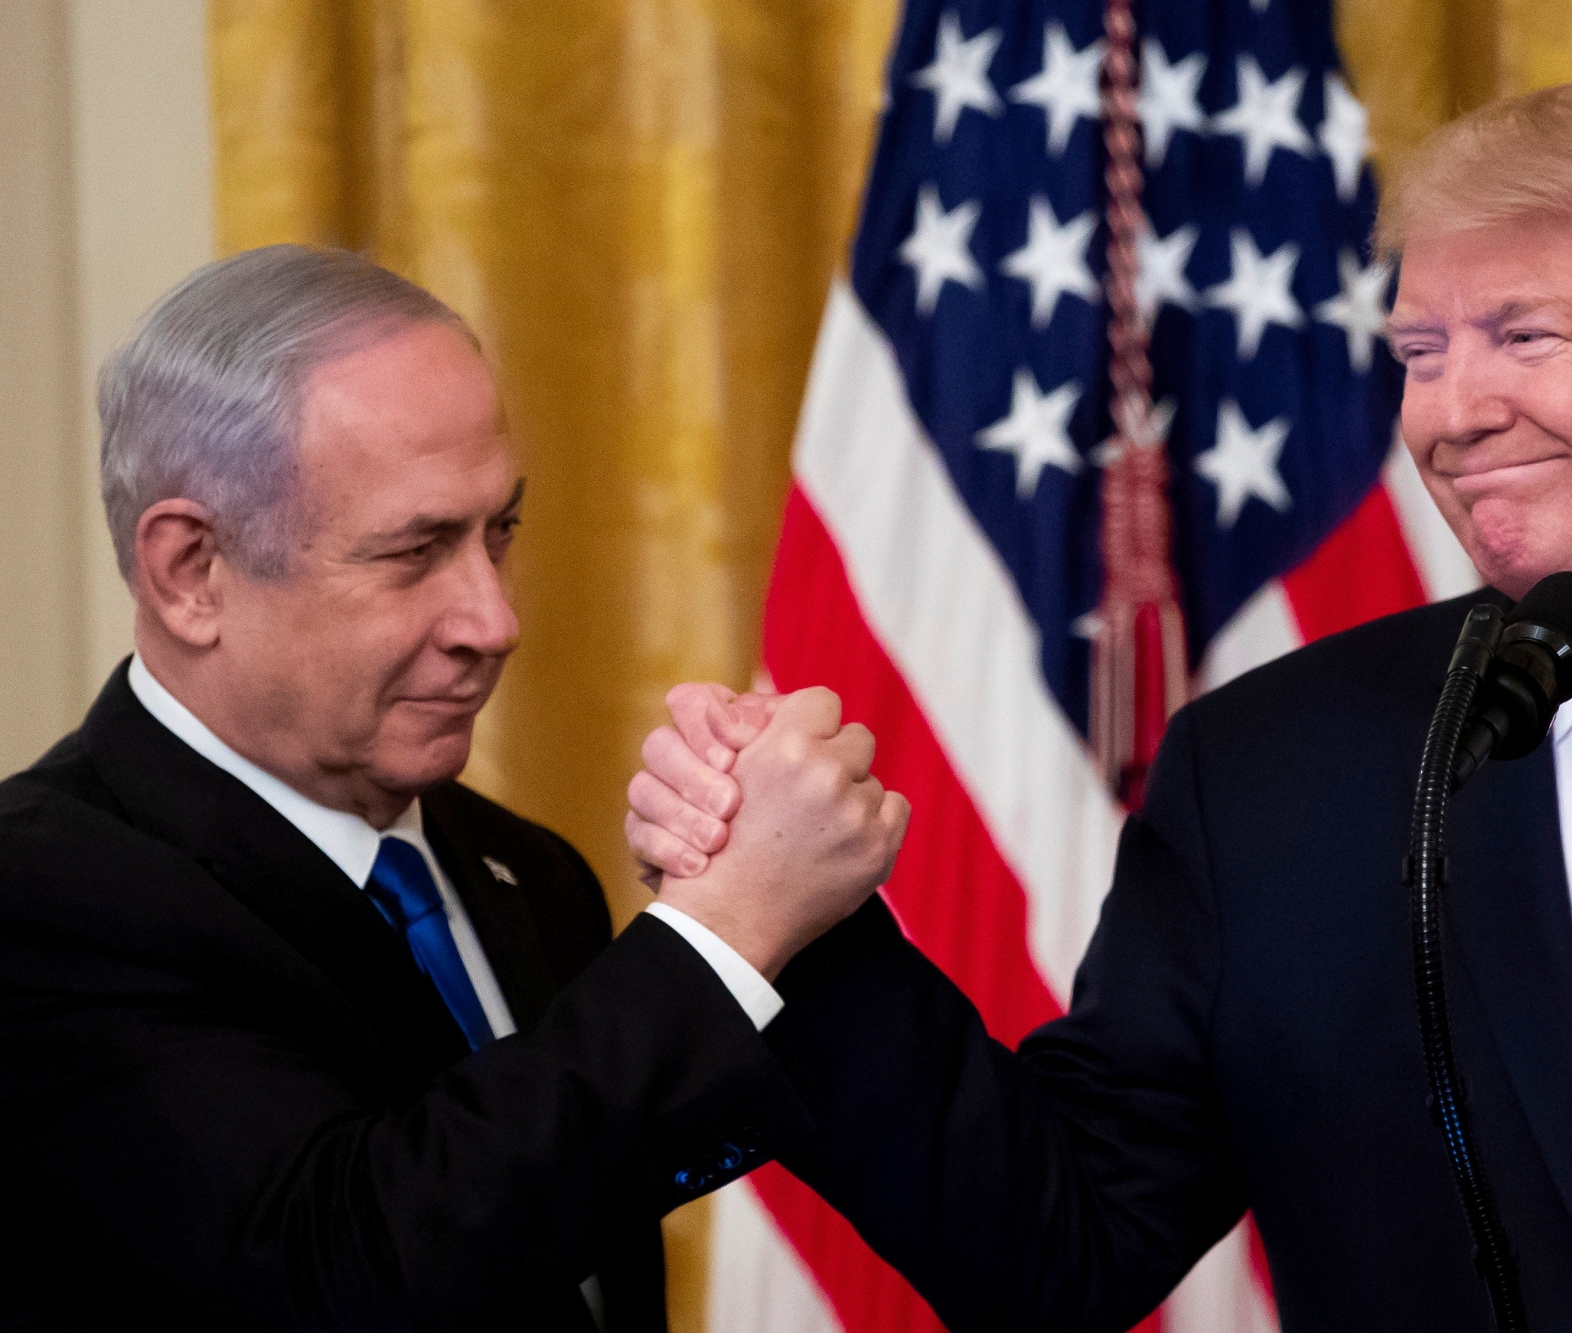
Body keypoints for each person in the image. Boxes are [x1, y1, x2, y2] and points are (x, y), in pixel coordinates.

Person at [627, 83, 1572, 1332]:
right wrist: (790, 921)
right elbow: (1058, 1246)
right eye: (1419, 350)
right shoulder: (1275, 772)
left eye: (1522, 335)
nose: (1449, 414)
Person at [0, 245, 907, 1331]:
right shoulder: (41, 892)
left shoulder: (526, 871)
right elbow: (354, 1274)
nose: (495, 621)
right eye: (415, 550)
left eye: (498, 533)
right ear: (192, 570)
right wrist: (722, 931)